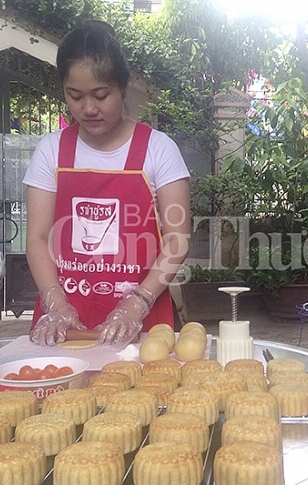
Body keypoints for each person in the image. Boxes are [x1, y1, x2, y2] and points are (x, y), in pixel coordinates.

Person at [23, 20, 191, 347]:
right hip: (64, 322)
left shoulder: (158, 150)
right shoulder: (52, 150)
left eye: (101, 95)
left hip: (143, 323)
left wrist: (137, 302)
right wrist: (55, 302)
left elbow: (178, 239)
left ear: (123, 88)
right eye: (75, 96)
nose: (88, 108)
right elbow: (37, 238)